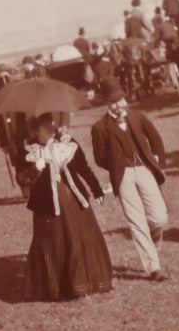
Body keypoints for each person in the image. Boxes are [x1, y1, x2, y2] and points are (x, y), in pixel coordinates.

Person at [24, 114, 113, 301]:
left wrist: (97, 190)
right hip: (47, 206)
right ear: (34, 130)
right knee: (53, 243)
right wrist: (35, 169)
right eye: (41, 129)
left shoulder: (67, 143)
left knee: (79, 238)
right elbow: (21, 178)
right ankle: (58, 286)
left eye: (49, 127)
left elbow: (83, 168)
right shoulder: (30, 149)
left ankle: (82, 283)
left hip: (73, 199)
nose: (46, 132)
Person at [90, 85, 170, 281]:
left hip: (144, 169)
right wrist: (118, 166)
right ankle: (154, 268)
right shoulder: (100, 127)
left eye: (121, 100)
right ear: (107, 103)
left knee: (159, 218)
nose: (119, 104)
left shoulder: (137, 116)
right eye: (114, 101)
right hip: (123, 176)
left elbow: (155, 138)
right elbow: (99, 157)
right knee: (136, 221)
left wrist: (158, 159)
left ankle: (152, 240)